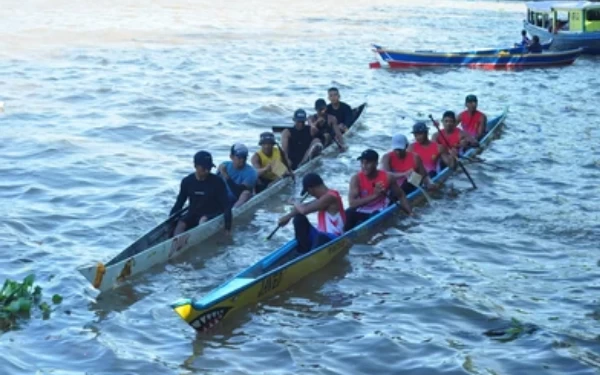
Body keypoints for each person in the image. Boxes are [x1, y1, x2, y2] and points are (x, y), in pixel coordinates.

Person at [344, 149, 413, 231]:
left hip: (378, 211)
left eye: (367, 163)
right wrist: (375, 195)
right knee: (348, 213)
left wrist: (410, 213)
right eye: (362, 162)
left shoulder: (387, 177)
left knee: (373, 217)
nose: (364, 166)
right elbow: (352, 203)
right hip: (362, 210)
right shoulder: (356, 179)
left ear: (376, 163)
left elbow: (401, 195)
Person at [277, 173, 346, 254]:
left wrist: (294, 202)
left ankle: (310, 255)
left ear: (311, 189)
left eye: (309, 192)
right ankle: (304, 251)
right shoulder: (322, 198)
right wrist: (287, 217)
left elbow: (304, 210)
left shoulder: (331, 197)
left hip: (333, 239)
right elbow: (303, 207)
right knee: (299, 219)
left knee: (321, 236)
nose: (311, 195)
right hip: (321, 237)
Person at [170, 150, 232, 236]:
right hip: (193, 213)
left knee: (203, 220)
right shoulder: (187, 181)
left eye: (209, 168)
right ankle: (175, 240)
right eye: (204, 168)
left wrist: (227, 227)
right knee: (181, 223)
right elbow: (179, 203)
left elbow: (226, 206)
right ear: (195, 166)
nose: (207, 171)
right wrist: (170, 220)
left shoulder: (217, 182)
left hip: (212, 214)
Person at [217, 143, 258, 208]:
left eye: (244, 157)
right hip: (223, 199)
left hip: (238, 200)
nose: (242, 160)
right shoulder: (224, 165)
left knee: (245, 193)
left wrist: (226, 176)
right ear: (231, 157)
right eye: (239, 157)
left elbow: (238, 193)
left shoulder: (251, 172)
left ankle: (233, 212)